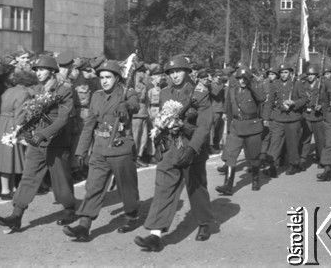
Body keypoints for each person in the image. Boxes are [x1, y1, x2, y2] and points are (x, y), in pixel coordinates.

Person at [134, 55, 214, 252]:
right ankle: (155, 235)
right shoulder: (164, 92)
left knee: (196, 188)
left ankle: (204, 223)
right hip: (171, 148)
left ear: (187, 72)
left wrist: (192, 148)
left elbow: (204, 124)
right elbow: (162, 120)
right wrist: (159, 142)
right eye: (170, 72)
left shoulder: (200, 92)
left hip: (192, 147)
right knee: (163, 187)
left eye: (178, 71)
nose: (175, 75)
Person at [0, 55, 77, 232]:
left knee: (60, 178)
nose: (38, 73)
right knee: (28, 176)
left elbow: (63, 119)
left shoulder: (65, 90)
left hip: (57, 143)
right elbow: (33, 113)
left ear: (52, 71)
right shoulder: (38, 90)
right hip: (37, 142)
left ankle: (70, 208)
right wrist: (20, 129)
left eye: (42, 69)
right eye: (36, 70)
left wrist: (44, 134)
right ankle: (16, 215)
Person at [63, 60, 141, 241]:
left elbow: (135, 104)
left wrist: (126, 106)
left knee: (126, 187)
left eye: (108, 77)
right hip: (99, 148)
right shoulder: (96, 96)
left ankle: (131, 215)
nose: (104, 81)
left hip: (120, 148)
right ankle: (84, 225)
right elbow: (89, 124)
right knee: (93, 187)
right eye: (102, 77)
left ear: (117, 78)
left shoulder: (127, 93)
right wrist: (81, 150)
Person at [216, 67, 266, 195]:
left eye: (245, 78)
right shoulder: (232, 91)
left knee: (254, 156)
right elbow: (228, 106)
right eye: (240, 78)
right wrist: (228, 124)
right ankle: (228, 185)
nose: (242, 81)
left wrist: (252, 85)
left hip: (252, 127)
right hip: (236, 126)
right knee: (230, 156)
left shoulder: (254, 90)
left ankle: (255, 180)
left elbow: (261, 98)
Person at [0, 71, 37, 200]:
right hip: (12, 124)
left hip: (2, 123)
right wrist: (20, 129)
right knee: (9, 157)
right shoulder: (24, 93)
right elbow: (21, 113)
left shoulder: (8, 90)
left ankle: (10, 187)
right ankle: (5, 189)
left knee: (7, 156)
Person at [262, 63, 308, 176]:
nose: (283, 75)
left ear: (290, 73)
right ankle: (273, 166)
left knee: (292, 143)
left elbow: (304, 99)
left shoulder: (296, 84)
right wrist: (266, 118)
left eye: (286, 72)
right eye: (282, 72)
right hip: (278, 118)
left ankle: (293, 165)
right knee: (275, 143)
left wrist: (294, 103)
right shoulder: (275, 84)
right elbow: (270, 102)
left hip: (293, 118)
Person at [299, 64, 325, 167]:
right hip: (306, 115)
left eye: (312, 74)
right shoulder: (303, 85)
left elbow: (325, 100)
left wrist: (321, 106)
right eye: (308, 74)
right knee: (305, 139)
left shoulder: (321, 86)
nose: (310, 76)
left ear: (316, 75)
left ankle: (322, 159)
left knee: (320, 140)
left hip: (317, 116)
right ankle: (302, 159)